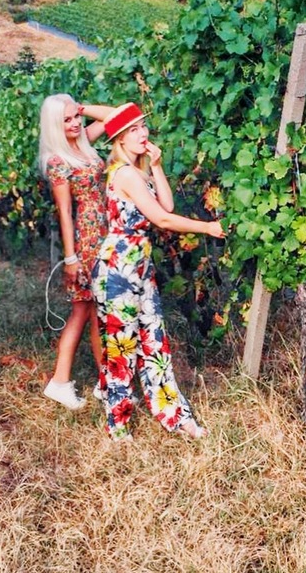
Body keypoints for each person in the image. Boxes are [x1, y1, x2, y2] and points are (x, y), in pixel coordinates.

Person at [91, 103, 224, 442]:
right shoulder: (124, 173)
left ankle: (176, 416)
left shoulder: (139, 172)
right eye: (133, 129)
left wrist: (157, 165)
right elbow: (162, 219)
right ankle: (118, 426)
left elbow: (167, 205)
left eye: (143, 126)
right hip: (118, 270)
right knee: (122, 347)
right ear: (119, 138)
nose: (142, 133)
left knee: (155, 342)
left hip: (140, 266)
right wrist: (208, 228)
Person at [39, 95, 114, 410]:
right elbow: (65, 212)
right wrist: (71, 258)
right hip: (87, 238)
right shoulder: (58, 160)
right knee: (85, 309)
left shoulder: (82, 140)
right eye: (66, 120)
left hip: (104, 231)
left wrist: (80, 108)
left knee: (93, 310)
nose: (74, 124)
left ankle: (103, 383)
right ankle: (68, 382)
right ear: (54, 125)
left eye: (76, 117)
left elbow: (116, 116)